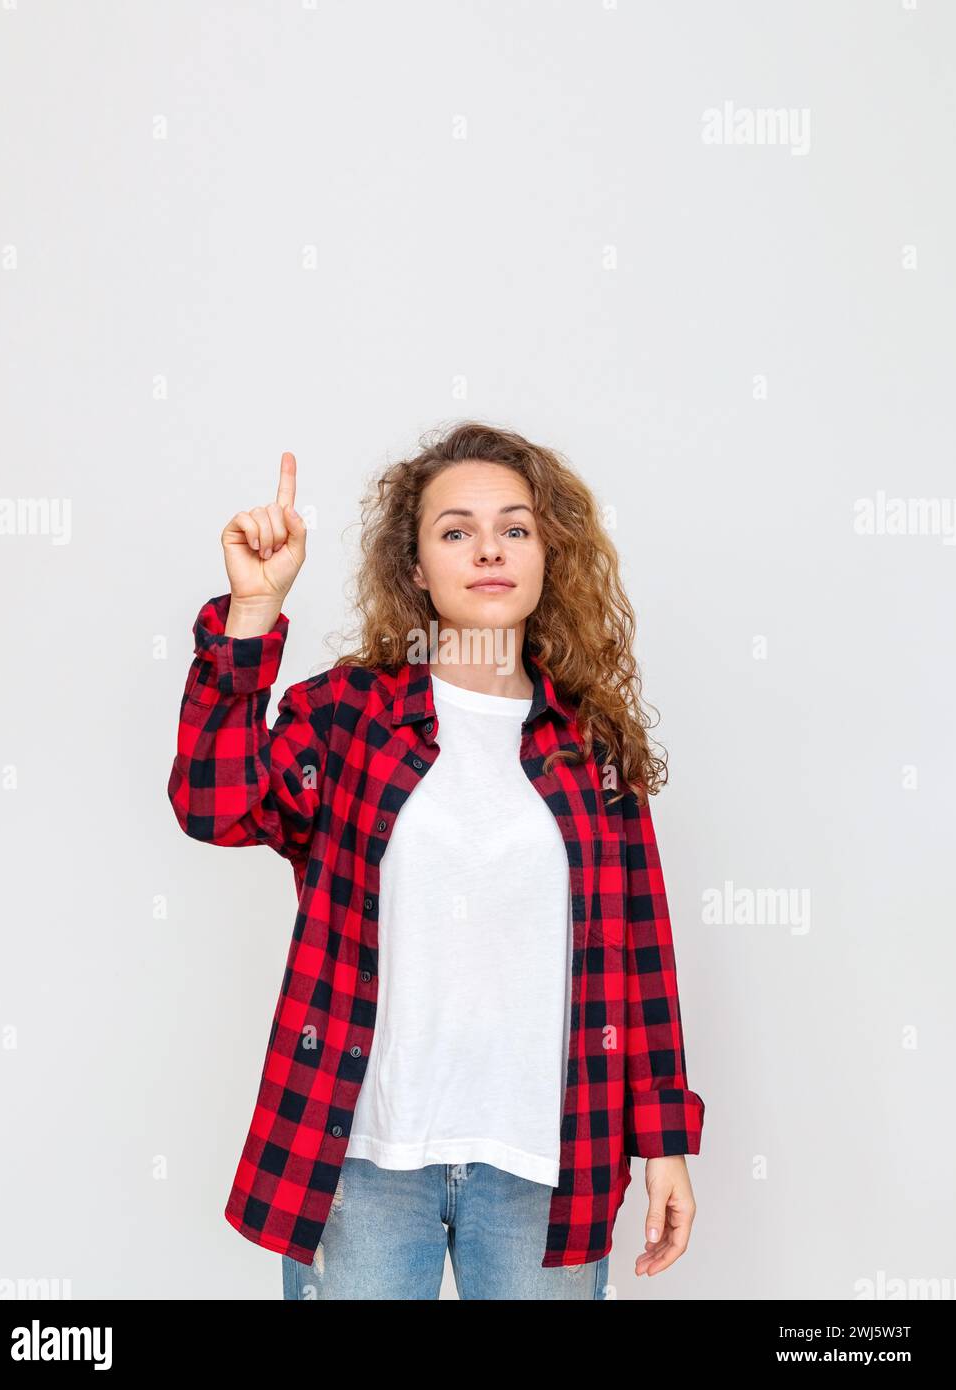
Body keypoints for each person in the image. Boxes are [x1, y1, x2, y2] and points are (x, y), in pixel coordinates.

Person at [168, 422, 705, 1300]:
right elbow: (212, 804)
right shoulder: (346, 716)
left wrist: (665, 1142)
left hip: (545, 1162)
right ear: (415, 568)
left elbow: (639, 953)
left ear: (547, 555)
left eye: (515, 528)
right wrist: (252, 615)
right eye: (456, 530)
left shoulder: (591, 744)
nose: (488, 549)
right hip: (368, 1162)